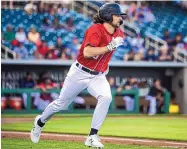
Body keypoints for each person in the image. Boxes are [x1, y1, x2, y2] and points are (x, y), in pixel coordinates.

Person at [30, 3, 126, 149]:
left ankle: (92, 136)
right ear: (109, 16)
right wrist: (110, 46)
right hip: (80, 72)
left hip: (98, 75)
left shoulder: (119, 33)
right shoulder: (95, 29)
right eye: (118, 15)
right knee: (61, 104)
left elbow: (106, 55)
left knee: (106, 97)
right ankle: (40, 122)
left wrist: (105, 64)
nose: (120, 18)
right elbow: (87, 53)